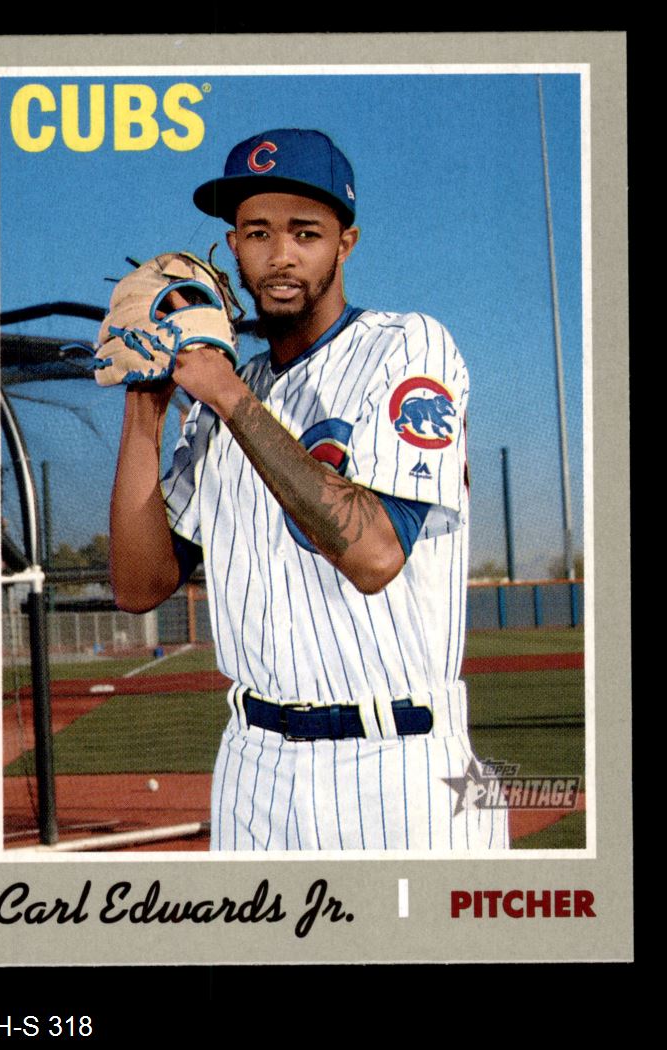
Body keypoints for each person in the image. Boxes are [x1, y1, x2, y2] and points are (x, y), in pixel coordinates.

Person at [109, 127, 509, 852]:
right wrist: (146, 410)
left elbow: (375, 555)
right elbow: (140, 586)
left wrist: (228, 395)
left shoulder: (407, 345)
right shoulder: (220, 399)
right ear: (232, 247)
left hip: (403, 762)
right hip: (253, 765)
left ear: (344, 244)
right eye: (258, 233)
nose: (281, 256)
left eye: (306, 233)